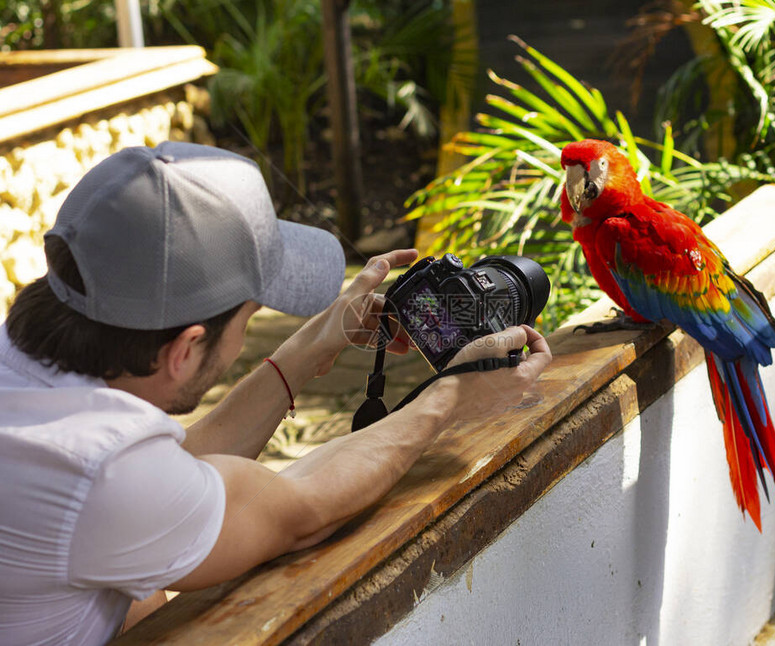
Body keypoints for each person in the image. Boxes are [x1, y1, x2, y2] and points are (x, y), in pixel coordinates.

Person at [0, 142, 552, 645]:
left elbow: (176, 471)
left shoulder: (27, 375)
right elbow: (304, 512)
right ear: (184, 350)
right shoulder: (101, 475)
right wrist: (451, 397)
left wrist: (309, 349)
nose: (249, 326)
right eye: (251, 313)